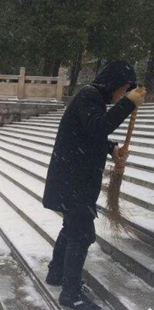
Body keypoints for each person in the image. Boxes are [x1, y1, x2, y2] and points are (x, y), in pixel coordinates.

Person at [42, 60, 146, 310]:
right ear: (117, 85)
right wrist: (128, 103)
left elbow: (91, 133)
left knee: (72, 227)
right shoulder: (89, 95)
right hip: (73, 181)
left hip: (72, 180)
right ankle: (71, 295)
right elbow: (99, 126)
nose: (122, 95)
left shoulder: (91, 97)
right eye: (124, 90)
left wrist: (112, 148)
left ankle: (56, 274)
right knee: (82, 233)